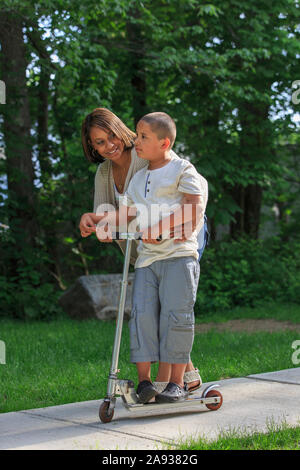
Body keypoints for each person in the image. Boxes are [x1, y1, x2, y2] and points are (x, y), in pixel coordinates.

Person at [86, 111, 208, 403]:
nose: (109, 145)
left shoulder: (170, 164)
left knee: (174, 314)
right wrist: (97, 220)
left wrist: (166, 226)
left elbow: (194, 200)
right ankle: (149, 383)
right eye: (99, 142)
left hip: (180, 249)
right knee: (143, 315)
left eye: (112, 136)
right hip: (146, 255)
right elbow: (123, 213)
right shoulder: (127, 177)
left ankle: (173, 383)